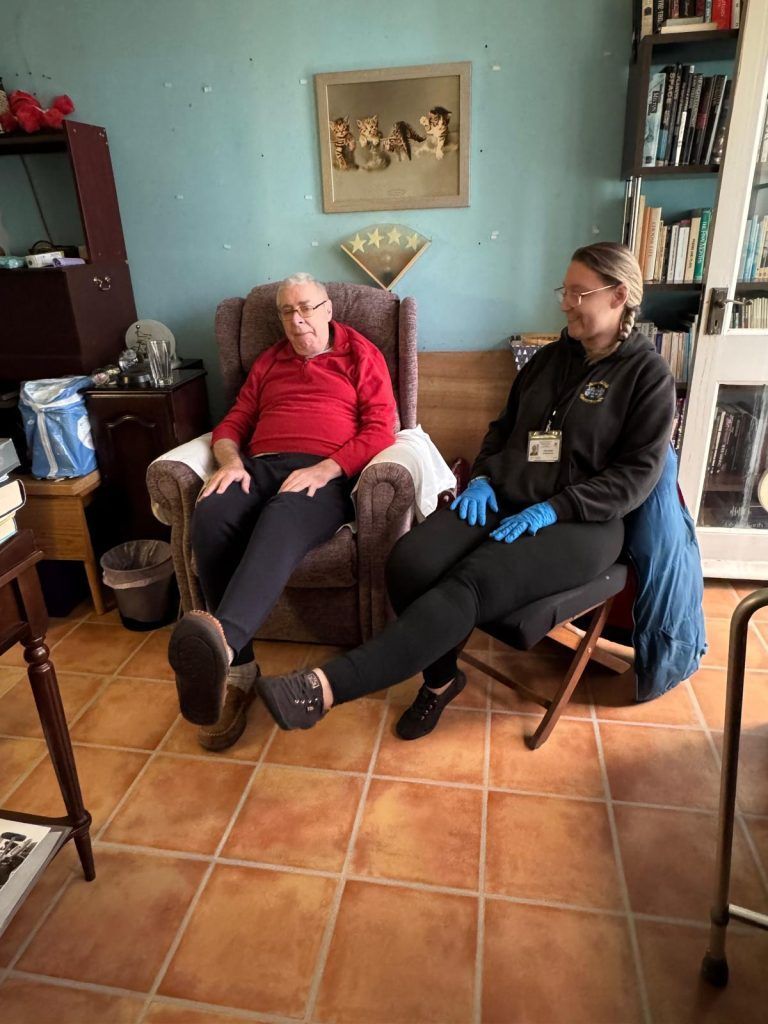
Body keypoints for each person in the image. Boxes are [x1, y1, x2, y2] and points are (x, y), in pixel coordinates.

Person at [254, 242, 677, 737]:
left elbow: (635, 478)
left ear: (619, 295)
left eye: (579, 293)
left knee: (470, 580)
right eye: (565, 290)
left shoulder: (648, 376)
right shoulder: (548, 360)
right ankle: (441, 680)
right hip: (505, 495)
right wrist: (480, 478)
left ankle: (324, 688)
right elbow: (503, 429)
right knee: (409, 561)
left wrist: (553, 509)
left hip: (583, 522)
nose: (565, 303)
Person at [168, 272, 397, 749]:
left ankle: (222, 651)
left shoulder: (360, 354)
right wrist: (229, 462)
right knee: (211, 511)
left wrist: (327, 469)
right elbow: (233, 422)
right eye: (287, 312)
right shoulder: (270, 361)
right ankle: (241, 668)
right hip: (259, 464)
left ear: (328, 308)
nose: (297, 320)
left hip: (323, 474)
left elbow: (381, 428)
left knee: (281, 517)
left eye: (306, 308)